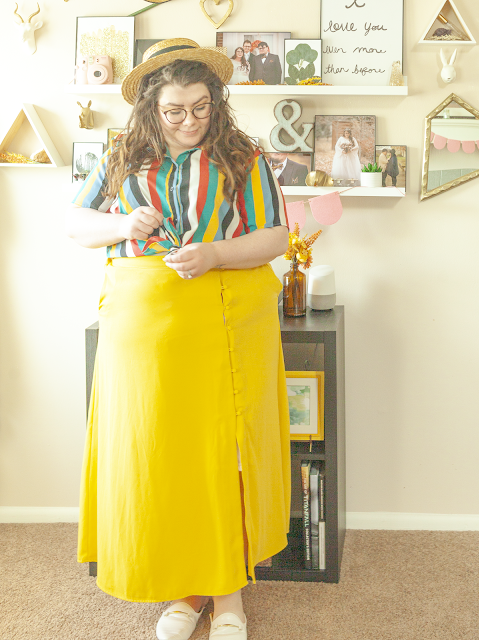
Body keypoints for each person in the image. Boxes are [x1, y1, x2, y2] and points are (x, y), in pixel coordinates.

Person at [66, 38, 291, 640]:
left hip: (223, 324)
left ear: (216, 102)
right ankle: (182, 590)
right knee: (159, 461)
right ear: (149, 109)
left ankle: (228, 598)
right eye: (174, 110)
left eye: (200, 107)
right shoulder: (121, 155)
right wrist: (122, 222)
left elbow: (274, 238)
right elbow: (76, 224)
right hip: (143, 333)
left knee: (223, 457)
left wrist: (215, 252)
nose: (189, 120)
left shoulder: (243, 156)